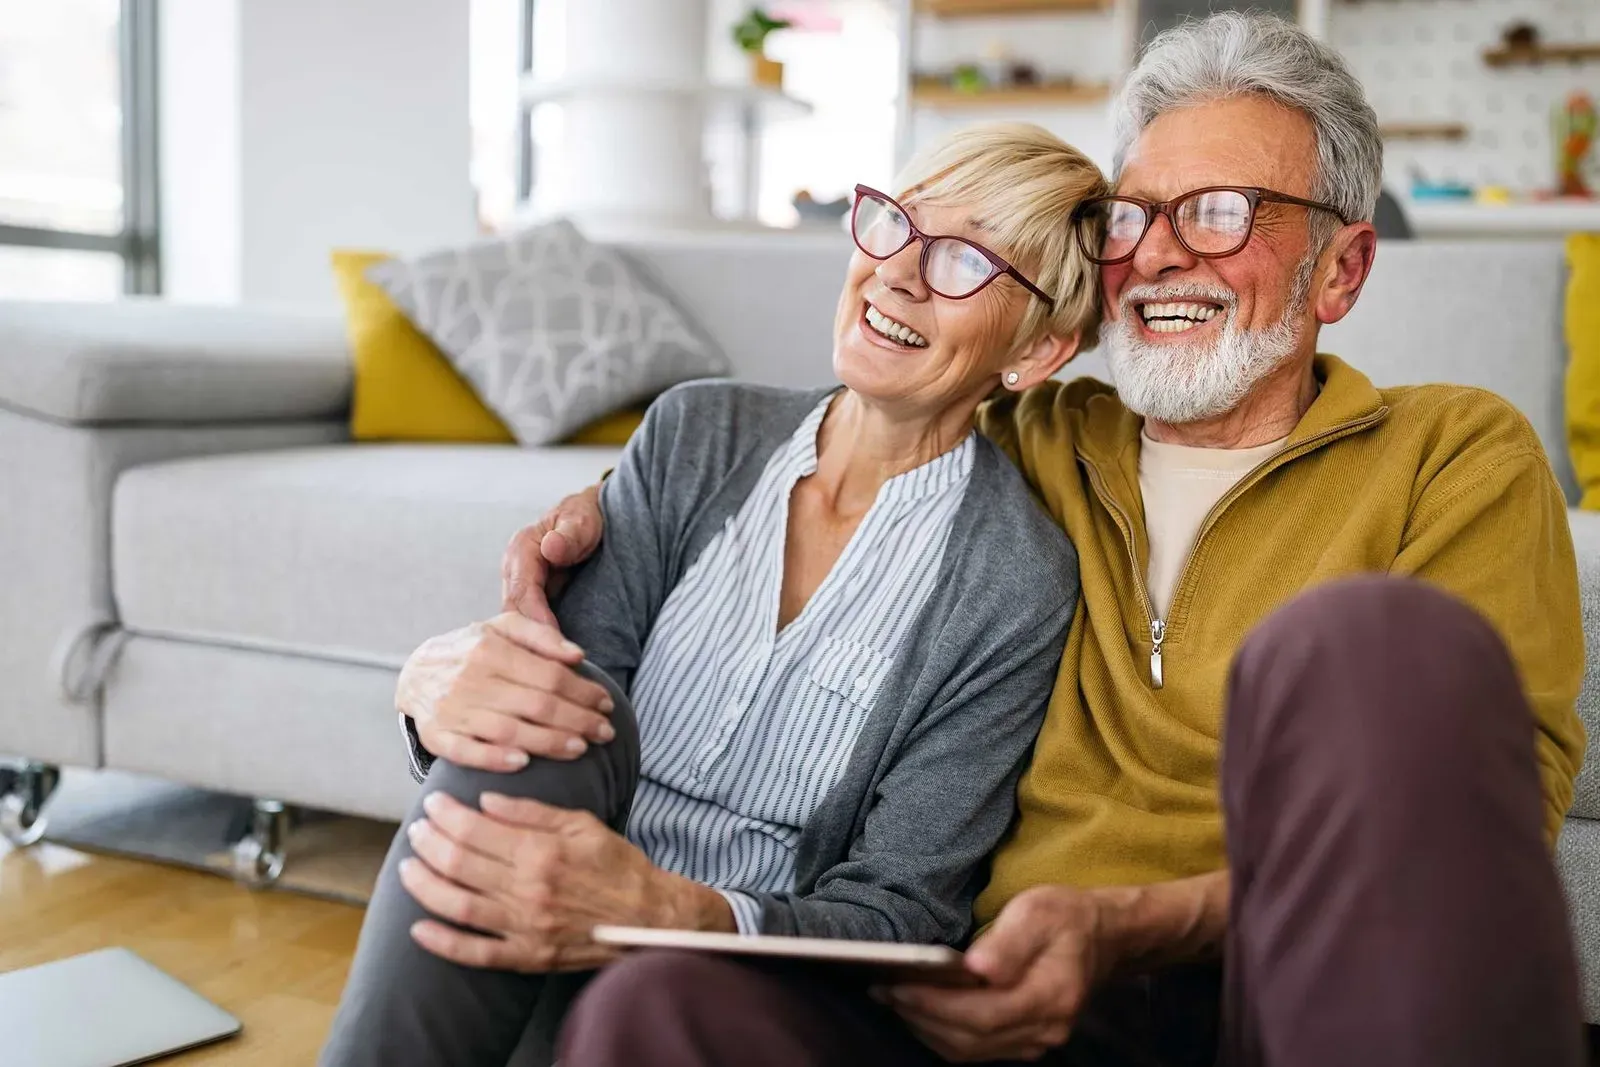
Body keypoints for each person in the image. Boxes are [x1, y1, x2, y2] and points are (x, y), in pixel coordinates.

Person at [504, 14, 1590, 1067]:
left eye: (1217, 212)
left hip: (1270, 993)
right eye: (1131, 215)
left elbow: (1472, 817)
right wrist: (609, 502)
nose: (1157, 255)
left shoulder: (1452, 453)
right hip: (979, 1001)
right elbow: (844, 418)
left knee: (1364, 635)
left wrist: (1124, 922)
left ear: (1340, 270)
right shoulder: (1032, 437)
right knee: (660, 1008)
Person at [319, 123, 1107, 1066]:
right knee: (558, 706)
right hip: (533, 916)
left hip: (728, 987)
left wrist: (666, 913)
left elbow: (899, 908)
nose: (898, 273)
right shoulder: (697, 431)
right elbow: (545, 722)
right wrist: (449, 689)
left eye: (965, 260)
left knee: (647, 996)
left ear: (1034, 352)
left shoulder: (1014, 582)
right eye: (894, 225)